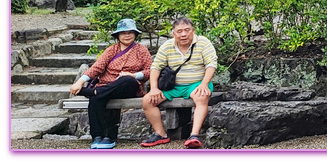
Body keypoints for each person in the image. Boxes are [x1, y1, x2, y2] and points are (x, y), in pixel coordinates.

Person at [69, 18, 153, 149]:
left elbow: (149, 71)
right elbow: (97, 67)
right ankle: (97, 136)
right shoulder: (111, 50)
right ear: (118, 35)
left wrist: (133, 75)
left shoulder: (142, 50)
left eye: (130, 32)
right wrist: (80, 82)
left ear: (135, 34)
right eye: (123, 32)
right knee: (97, 97)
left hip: (128, 87)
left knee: (126, 81)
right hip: (106, 86)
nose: (127, 35)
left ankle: (109, 136)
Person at [140, 17, 218, 149]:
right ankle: (161, 134)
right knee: (148, 100)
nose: (183, 34)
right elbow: (155, 67)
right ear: (174, 33)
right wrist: (153, 88)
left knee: (201, 96)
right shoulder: (167, 46)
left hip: (196, 83)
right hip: (174, 86)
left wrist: (204, 83)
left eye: (187, 30)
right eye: (179, 31)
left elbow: (211, 64)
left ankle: (194, 135)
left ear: (193, 31)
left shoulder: (203, 42)